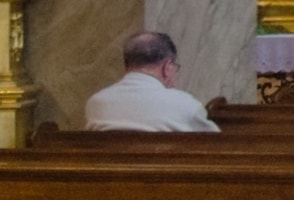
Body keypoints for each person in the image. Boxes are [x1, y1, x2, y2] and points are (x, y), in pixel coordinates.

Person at [84, 31, 219, 131]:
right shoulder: (186, 105)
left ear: (127, 65)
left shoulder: (96, 103)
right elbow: (216, 147)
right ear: (167, 67)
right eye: (175, 67)